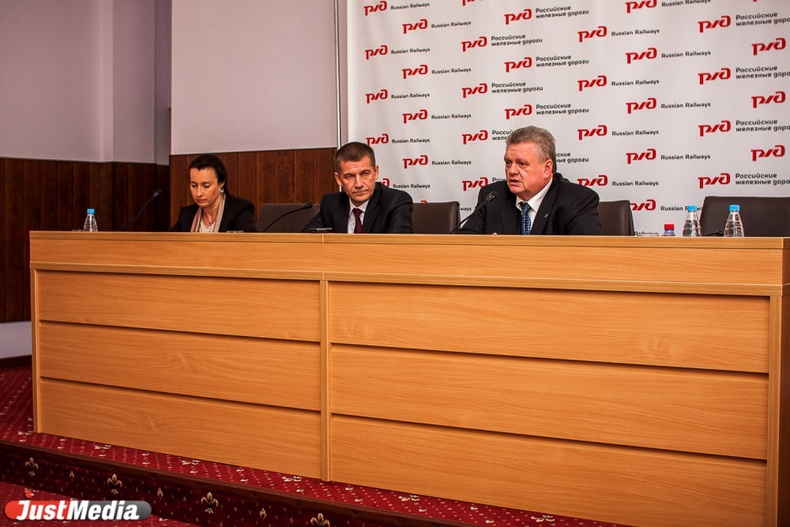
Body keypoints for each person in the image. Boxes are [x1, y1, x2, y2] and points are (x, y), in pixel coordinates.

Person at [457, 126, 601, 235]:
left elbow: (588, 254)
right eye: (508, 163)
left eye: (522, 164)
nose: (512, 171)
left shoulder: (577, 200)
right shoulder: (492, 196)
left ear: (547, 168)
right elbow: (463, 243)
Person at [304, 142, 413, 233]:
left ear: (376, 172)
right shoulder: (331, 203)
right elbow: (304, 240)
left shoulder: (395, 201)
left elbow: (398, 245)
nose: (359, 184)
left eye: (365, 173)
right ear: (338, 179)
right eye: (349, 176)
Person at [170, 153, 257, 232]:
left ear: (221, 183)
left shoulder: (239, 211)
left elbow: (250, 242)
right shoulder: (186, 214)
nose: (198, 193)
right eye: (194, 185)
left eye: (206, 186)